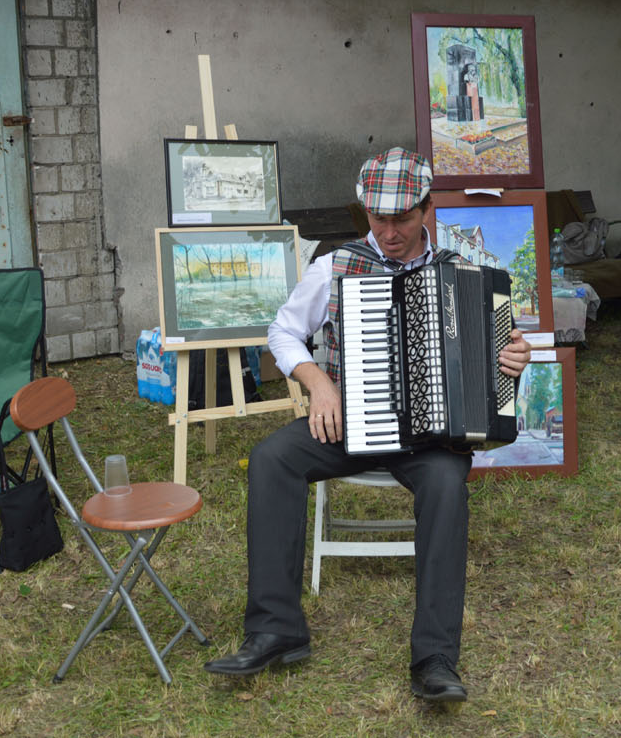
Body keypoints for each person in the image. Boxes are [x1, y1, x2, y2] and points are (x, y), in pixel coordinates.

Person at [204, 147, 532, 703]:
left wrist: (514, 357)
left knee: (446, 485)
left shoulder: (463, 272)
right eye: (378, 219)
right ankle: (276, 631)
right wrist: (318, 382)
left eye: (401, 219)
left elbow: (501, 355)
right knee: (271, 459)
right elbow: (283, 331)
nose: (389, 232)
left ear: (426, 209)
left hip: (432, 438)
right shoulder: (335, 265)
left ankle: (434, 659)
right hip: (348, 424)